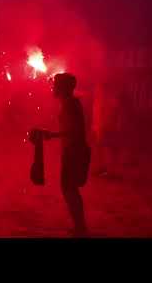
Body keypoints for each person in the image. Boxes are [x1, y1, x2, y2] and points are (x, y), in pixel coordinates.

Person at [37, 73, 91, 237]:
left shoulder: (70, 105)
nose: (53, 88)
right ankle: (79, 226)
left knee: (69, 189)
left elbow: (74, 131)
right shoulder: (70, 103)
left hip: (73, 152)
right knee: (69, 188)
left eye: (56, 85)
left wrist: (51, 135)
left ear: (63, 88)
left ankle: (80, 227)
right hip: (73, 150)